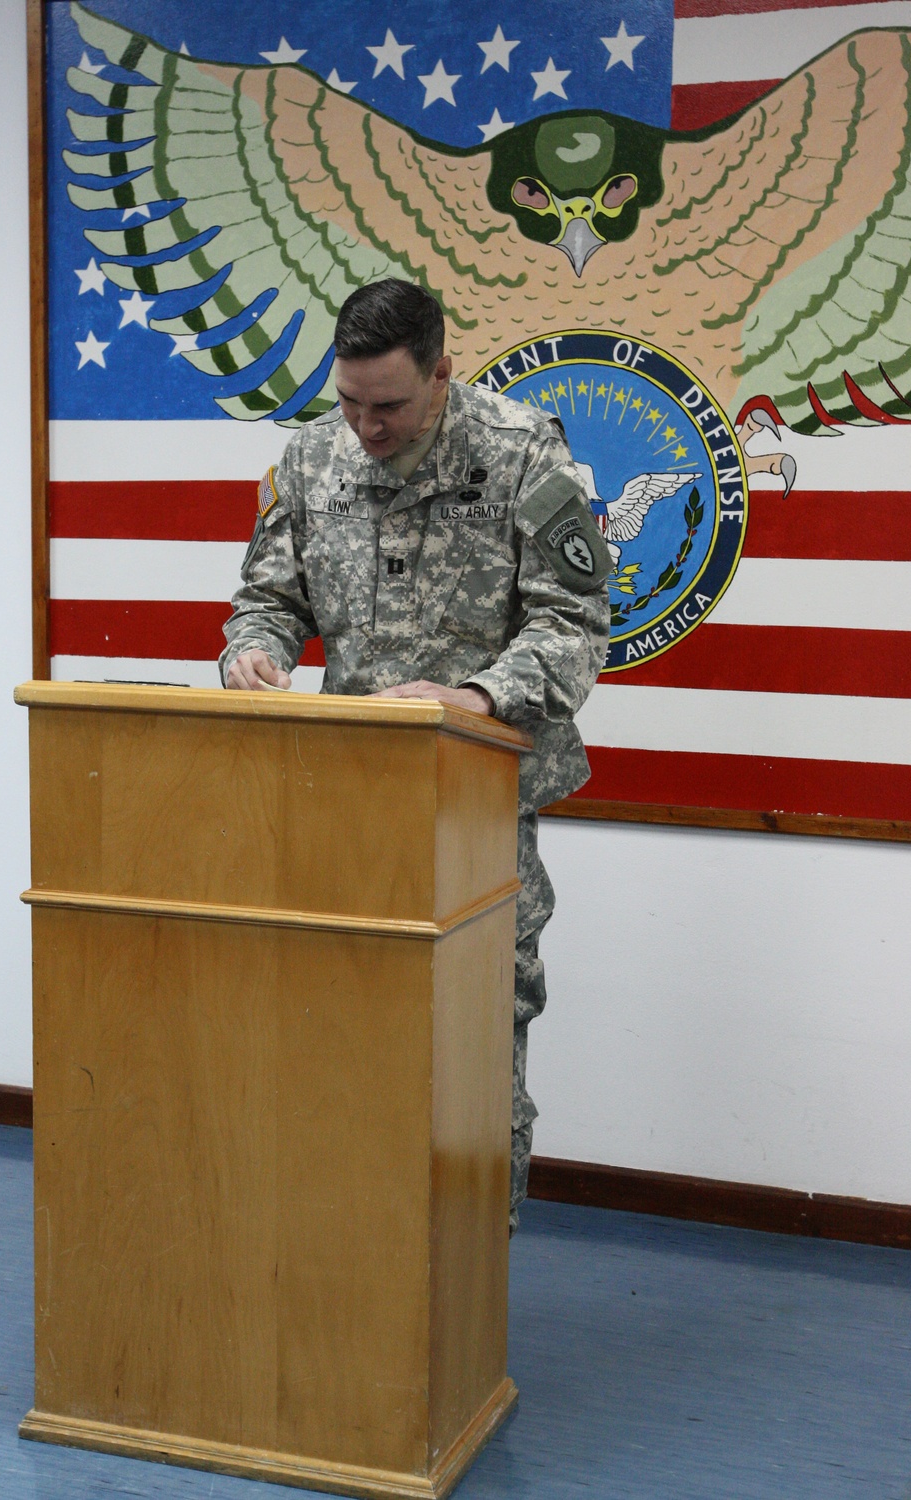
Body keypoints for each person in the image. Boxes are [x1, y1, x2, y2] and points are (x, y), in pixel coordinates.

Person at [221, 279, 611, 1232]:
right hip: (346, 791)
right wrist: (253, 649)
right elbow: (268, 597)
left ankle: (477, 1262)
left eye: (388, 405)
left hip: (476, 794)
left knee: (479, 1029)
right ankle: (347, 1245)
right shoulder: (313, 458)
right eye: (349, 402)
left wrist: (476, 697)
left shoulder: (523, 454)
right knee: (338, 1021)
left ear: (442, 372)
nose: (365, 426)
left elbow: (575, 623)